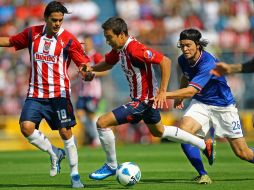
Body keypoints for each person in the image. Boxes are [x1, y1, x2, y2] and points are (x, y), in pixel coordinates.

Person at [85, 17, 214, 181]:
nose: (107, 40)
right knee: (158, 131)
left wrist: (162, 91)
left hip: (143, 102)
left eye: (109, 37)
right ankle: (204, 145)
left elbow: (165, 61)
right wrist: (91, 69)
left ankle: (111, 166)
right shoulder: (120, 49)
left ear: (122, 35)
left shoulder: (134, 49)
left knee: (102, 123)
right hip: (145, 101)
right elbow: (108, 64)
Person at [0, 1, 93, 188]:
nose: (58, 23)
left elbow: (83, 64)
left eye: (61, 20)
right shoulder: (31, 33)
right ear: (45, 18)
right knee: (26, 127)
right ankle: (54, 153)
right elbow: (9, 41)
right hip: (35, 93)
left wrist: (87, 73)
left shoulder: (69, 39)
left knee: (66, 132)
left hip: (59, 95)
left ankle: (75, 175)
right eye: (54, 20)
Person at [153, 28, 254, 183]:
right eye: (182, 45)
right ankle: (203, 174)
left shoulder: (208, 63)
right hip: (201, 103)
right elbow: (186, 78)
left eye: (188, 45)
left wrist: (164, 94)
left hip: (223, 107)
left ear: (198, 45)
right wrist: (179, 98)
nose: (185, 49)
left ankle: (207, 145)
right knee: (184, 133)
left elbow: (191, 91)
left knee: (243, 153)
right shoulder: (182, 60)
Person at [76, 34, 108, 147]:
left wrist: (93, 73)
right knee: (80, 114)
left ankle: (96, 139)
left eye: (88, 43)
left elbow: (106, 71)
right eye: (85, 43)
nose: (87, 45)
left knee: (91, 115)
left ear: (92, 44)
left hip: (93, 92)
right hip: (82, 91)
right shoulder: (81, 57)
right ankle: (93, 135)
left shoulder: (96, 56)